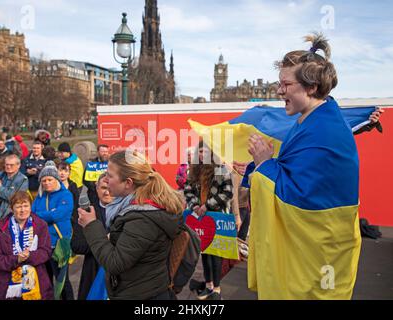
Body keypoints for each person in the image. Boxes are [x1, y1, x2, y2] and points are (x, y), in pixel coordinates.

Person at [244, 33, 361, 299]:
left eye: (286, 84)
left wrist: (263, 164)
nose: (278, 91)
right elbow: (294, 174)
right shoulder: (313, 121)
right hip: (318, 254)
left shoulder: (324, 130)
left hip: (319, 259)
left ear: (310, 87)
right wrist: (256, 169)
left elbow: (301, 197)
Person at [77, 150, 183, 300]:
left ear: (128, 183)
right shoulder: (131, 207)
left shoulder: (143, 218)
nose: (105, 180)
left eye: (110, 175)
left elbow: (115, 263)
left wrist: (91, 225)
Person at [184, 141, 233, 300]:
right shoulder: (193, 171)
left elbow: (228, 192)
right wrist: (195, 205)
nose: (201, 155)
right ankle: (208, 285)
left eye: (205, 152)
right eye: (199, 152)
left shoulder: (220, 169)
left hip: (216, 216)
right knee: (204, 252)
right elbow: (188, 191)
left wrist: (208, 205)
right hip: (200, 217)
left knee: (216, 254)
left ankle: (217, 290)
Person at [0, 191, 53, 300]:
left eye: (26, 206)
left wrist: (29, 256)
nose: (23, 210)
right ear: (12, 208)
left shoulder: (41, 225)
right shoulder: (0, 228)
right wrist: (16, 259)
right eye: (18, 207)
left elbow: (46, 252)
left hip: (36, 282)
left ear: (30, 206)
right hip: (5, 286)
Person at [32, 161, 74, 300]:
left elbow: (59, 214)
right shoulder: (39, 196)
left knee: (62, 280)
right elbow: (32, 215)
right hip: (43, 245)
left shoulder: (66, 195)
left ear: (56, 179)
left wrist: (41, 214)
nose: (46, 183)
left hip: (59, 244)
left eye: (50, 179)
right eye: (43, 180)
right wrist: (49, 214)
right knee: (46, 281)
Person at [71, 174, 113, 300]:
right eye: (103, 188)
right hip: (93, 271)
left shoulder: (125, 211)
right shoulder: (86, 212)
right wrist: (103, 240)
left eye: (110, 188)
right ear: (96, 188)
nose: (107, 192)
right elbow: (76, 245)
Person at [0, 155, 29, 225]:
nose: (8, 167)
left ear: (18, 165)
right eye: (7, 165)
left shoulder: (23, 179)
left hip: (9, 215)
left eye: (11, 165)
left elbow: (14, 198)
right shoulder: (1, 175)